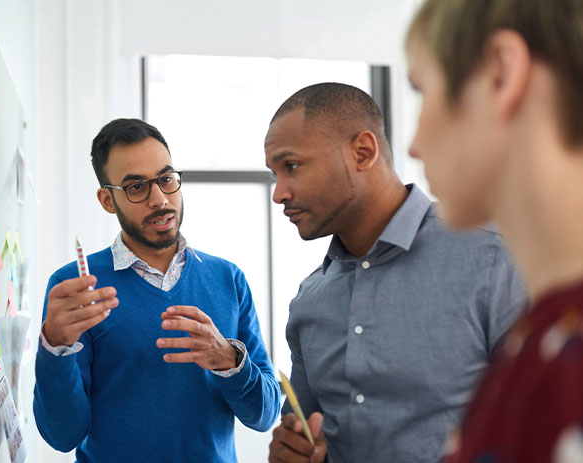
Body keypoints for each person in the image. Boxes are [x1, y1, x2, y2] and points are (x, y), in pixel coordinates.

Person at [264, 83, 526, 463]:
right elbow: (305, 432)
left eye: (291, 166)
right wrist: (293, 452)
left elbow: (548, 425)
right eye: (274, 174)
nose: (278, 193)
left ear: (363, 152)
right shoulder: (310, 301)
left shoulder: (493, 257)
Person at [33, 118, 279, 462]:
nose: (159, 199)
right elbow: (63, 435)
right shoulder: (75, 289)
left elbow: (265, 414)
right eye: (136, 187)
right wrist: (55, 347)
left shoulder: (228, 278)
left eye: (166, 179)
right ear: (107, 200)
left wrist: (227, 359)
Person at [405, 0, 583, 461]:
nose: (414, 144)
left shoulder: (565, 360)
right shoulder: (543, 333)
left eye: (422, 91)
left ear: (500, 74)